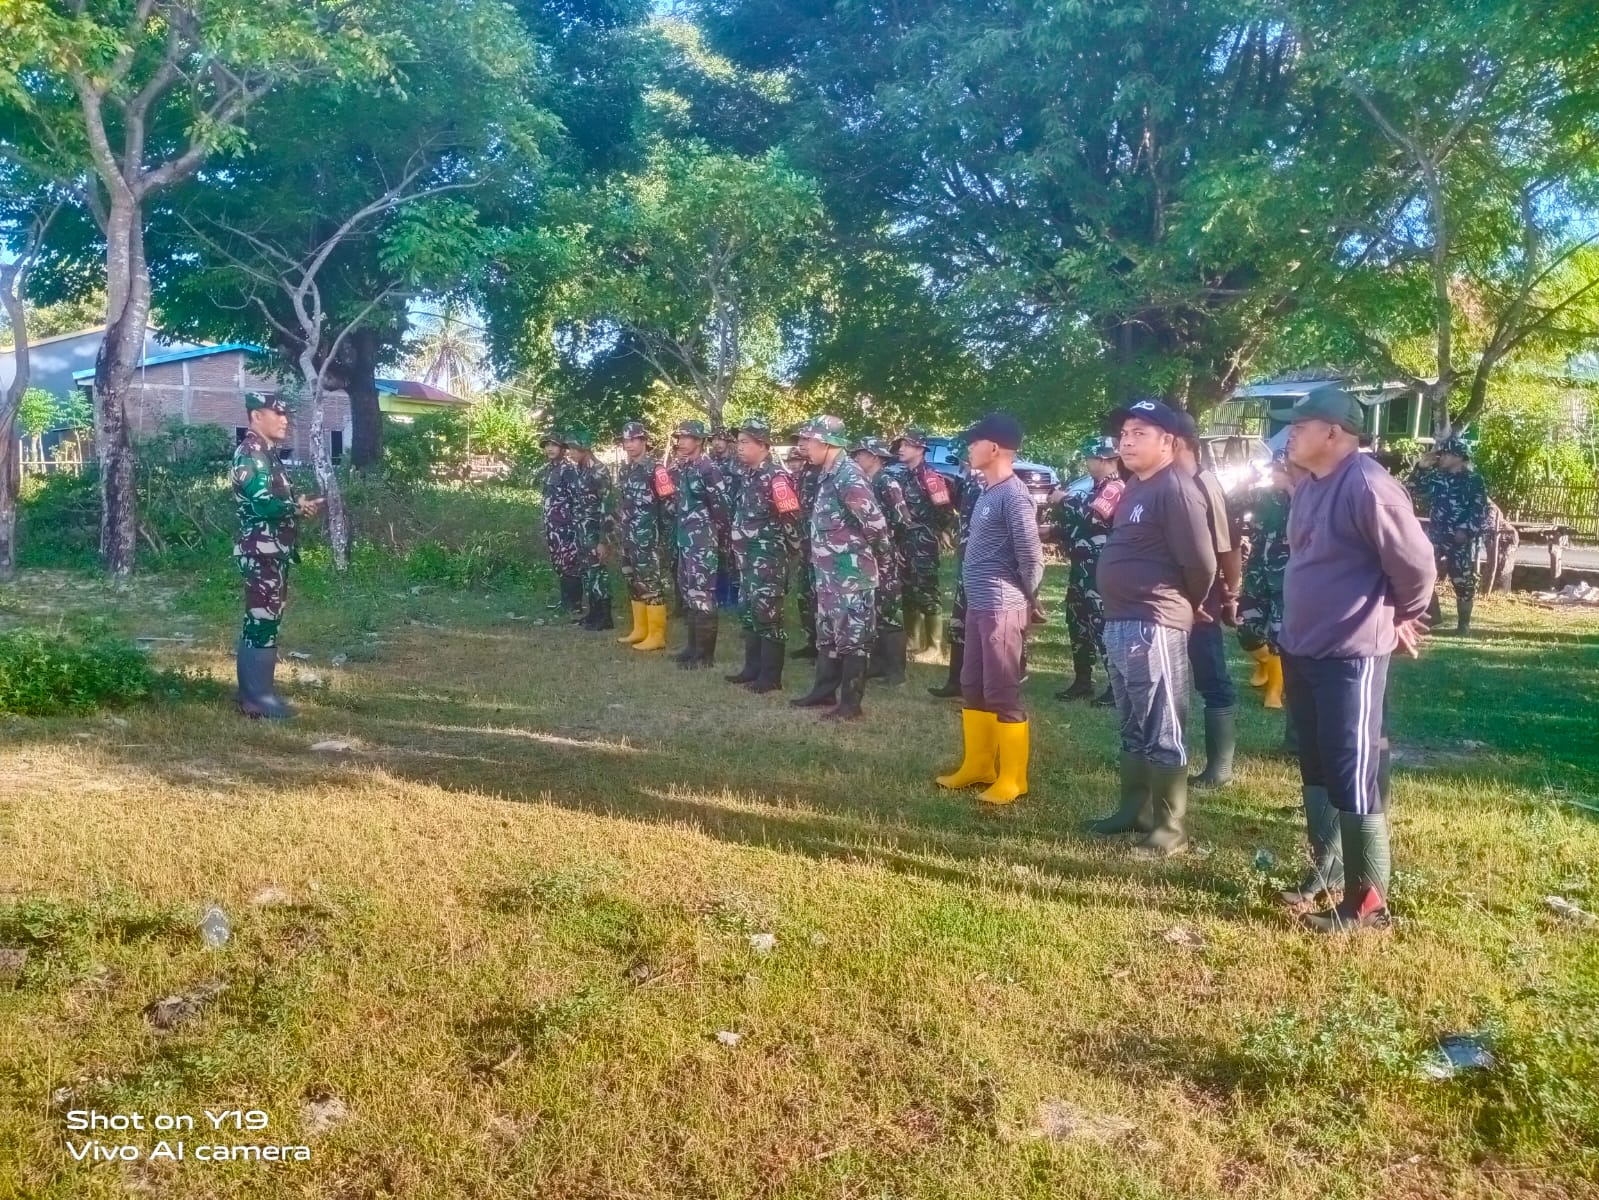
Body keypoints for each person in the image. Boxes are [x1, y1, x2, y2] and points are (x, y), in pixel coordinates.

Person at [1279, 387, 1435, 932]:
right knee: (1318, 763)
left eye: (1300, 425)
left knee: (1355, 771)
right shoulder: (1310, 486)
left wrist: (1401, 614)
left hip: (1350, 653)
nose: (1291, 434)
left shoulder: (1370, 486)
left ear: (1334, 433)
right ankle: (1323, 873)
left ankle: (1368, 906)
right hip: (1301, 647)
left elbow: (1416, 567)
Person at [1085, 399, 1217, 857]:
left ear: (1169, 442)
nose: (1126, 439)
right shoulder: (1137, 487)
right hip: (1121, 620)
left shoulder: (1175, 488)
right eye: (1125, 431)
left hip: (1154, 621)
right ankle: (1134, 810)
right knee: (1132, 723)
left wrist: (1189, 603)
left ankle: (1170, 827)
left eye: (1141, 432)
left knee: (1163, 724)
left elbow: (1201, 562)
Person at [934, 413, 1045, 806]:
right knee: (972, 684)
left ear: (993, 448)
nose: (967, 448)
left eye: (973, 441)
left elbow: (1031, 556)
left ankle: (1013, 778)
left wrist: (1029, 600)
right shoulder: (986, 491)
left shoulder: (1015, 495)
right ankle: (978, 766)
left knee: (1001, 690)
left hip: (1002, 606)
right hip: (979, 604)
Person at [790, 416, 893, 720]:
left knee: (853, 638)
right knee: (828, 634)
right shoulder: (827, 473)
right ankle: (823, 692)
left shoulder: (849, 475)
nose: (803, 446)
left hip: (851, 574)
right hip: (829, 573)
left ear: (826, 442)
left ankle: (850, 704)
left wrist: (882, 564)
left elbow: (875, 524)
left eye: (808, 441)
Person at [231, 392, 323, 719]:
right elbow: (262, 503)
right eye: (277, 413)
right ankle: (256, 698)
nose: (285, 420)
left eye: (286, 414)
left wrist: (298, 507)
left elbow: (277, 501)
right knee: (262, 618)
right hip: (261, 550)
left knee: (265, 618)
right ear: (256, 416)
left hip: (272, 550)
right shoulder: (251, 454)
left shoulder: (268, 455)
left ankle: (256, 693)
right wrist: (295, 507)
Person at [1173, 422, 1242, 790]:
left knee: (1211, 674)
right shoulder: (1163, 483)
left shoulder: (1205, 484)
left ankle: (1220, 766)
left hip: (1202, 599)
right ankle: (1169, 755)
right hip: (1166, 599)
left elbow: (1227, 545)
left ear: (1180, 443)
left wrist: (1231, 592)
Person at [725, 416, 803, 693]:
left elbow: (792, 519)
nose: (739, 447)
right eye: (738, 442)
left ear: (764, 445)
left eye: (745, 442)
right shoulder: (747, 474)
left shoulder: (777, 478)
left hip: (768, 559)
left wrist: (792, 556)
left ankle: (771, 678)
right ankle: (752, 668)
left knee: (769, 615)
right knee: (749, 611)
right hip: (747, 560)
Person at [1050, 436, 1123, 704]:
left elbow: (1094, 518)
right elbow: (1081, 527)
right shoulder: (1093, 490)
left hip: (1099, 570)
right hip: (1081, 568)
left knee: (1101, 624)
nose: (1087, 462)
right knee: (1077, 622)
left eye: (1091, 458)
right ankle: (1083, 681)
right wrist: (1054, 531)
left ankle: (1117, 688)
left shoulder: (1115, 488)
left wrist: (1063, 499)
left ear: (1105, 460)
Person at [669, 418, 732, 669]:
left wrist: (719, 539)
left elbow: (721, 507)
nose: (681, 442)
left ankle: (705, 656)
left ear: (699, 441)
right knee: (690, 593)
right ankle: (692, 647)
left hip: (703, 541)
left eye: (686, 437)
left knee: (703, 595)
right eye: (679, 437)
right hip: (686, 539)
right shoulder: (687, 467)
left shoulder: (708, 468)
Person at [890, 426, 955, 659]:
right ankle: (912, 640)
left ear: (920, 449)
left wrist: (938, 531)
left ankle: (935, 647)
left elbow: (946, 511)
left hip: (923, 540)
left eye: (906, 445)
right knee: (908, 590)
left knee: (927, 590)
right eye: (901, 445)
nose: (901, 449)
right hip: (904, 539)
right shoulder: (903, 475)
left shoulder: (931, 477)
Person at [1413, 437, 1489, 636]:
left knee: (1463, 582)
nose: (1441, 458)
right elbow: (1413, 490)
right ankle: (1432, 618)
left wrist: (1466, 530)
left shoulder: (1474, 480)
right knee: (1424, 574)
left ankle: (1464, 626)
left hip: (1459, 538)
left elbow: (1479, 510)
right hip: (1436, 535)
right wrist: (1421, 468)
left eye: (1445, 454)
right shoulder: (1438, 477)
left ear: (1458, 457)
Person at [852, 436, 913, 686]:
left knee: (889, 612)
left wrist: (892, 546)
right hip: (869, 555)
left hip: (885, 555)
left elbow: (903, 519)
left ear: (874, 457)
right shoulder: (865, 482)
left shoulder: (887, 483)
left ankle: (896, 671)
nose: (856, 458)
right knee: (873, 609)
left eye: (861, 454)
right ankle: (877, 665)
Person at [1235, 451, 1293, 711]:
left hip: (1288, 578)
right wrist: (1245, 481)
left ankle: (1275, 692)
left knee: (1280, 635)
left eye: (1281, 470)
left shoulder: (1309, 497)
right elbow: (1230, 503)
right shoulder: (1263, 496)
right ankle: (1264, 664)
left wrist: (1292, 489)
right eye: (1273, 470)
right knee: (1247, 631)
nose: (1275, 475)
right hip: (1258, 574)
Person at [930, 437, 984, 698]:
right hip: (967, 559)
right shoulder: (970, 483)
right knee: (959, 622)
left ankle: (980, 683)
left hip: (984, 566)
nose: (965, 462)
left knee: (981, 625)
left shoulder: (991, 485)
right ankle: (956, 680)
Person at [615, 420, 673, 652]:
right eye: (625, 441)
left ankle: (656, 635)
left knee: (650, 583)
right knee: (632, 581)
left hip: (649, 537)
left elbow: (669, 505)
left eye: (633, 440)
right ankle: (640, 629)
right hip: (628, 536)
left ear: (644, 441)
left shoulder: (656, 469)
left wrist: (661, 536)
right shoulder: (625, 469)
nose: (628, 445)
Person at [564, 426, 617, 630]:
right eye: (570, 448)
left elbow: (607, 506)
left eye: (574, 449)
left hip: (596, 532)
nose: (571, 453)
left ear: (585, 449)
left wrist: (604, 540)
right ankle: (593, 613)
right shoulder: (580, 469)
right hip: (582, 531)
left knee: (598, 572)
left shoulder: (598, 471)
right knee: (588, 572)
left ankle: (605, 617)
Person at [787, 442, 822, 661]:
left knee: (821, 598)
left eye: (804, 441)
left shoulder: (823, 473)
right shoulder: (799, 476)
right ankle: (812, 641)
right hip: (805, 544)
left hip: (822, 546)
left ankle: (825, 647)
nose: (800, 446)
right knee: (805, 595)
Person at [540, 432, 581, 614]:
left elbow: (577, 499)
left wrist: (573, 524)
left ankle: (575, 604)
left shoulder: (568, 470)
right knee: (559, 563)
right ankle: (565, 602)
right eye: (547, 445)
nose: (549, 448)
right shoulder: (550, 469)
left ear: (563, 448)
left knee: (570, 564)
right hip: (553, 527)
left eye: (554, 445)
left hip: (567, 527)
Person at [710, 426, 741, 613]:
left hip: (734, 518)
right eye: (714, 439)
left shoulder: (737, 463)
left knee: (735, 558)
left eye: (720, 439)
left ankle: (735, 598)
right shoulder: (710, 463)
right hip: (716, 519)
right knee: (719, 558)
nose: (716, 443)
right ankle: (720, 597)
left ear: (728, 441)